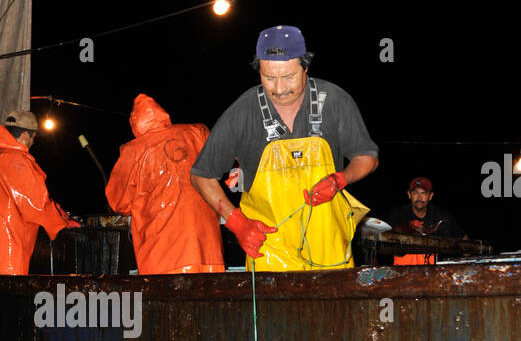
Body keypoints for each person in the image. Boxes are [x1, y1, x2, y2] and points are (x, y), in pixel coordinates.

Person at [190, 25, 379, 270]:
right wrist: (237, 223)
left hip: (330, 249)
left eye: (288, 76)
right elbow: (201, 175)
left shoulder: (334, 100)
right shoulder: (243, 110)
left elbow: (367, 157)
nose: (279, 89)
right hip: (268, 252)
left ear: (305, 68)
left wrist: (340, 179)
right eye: (269, 78)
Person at [105, 93, 224, 274]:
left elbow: (118, 201)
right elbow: (223, 160)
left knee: (169, 299)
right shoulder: (197, 132)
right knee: (208, 298)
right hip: (209, 252)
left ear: (134, 122)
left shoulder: (132, 150)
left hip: (163, 257)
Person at [0, 109, 79, 275]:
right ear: (26, 135)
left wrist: (58, 212)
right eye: (34, 138)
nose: (32, 143)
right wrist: (62, 224)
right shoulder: (17, 160)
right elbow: (36, 205)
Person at [388, 176, 467, 265]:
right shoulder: (398, 214)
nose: (419, 197)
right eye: (415, 193)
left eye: (424, 193)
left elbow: (463, 238)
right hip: (402, 270)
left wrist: (467, 262)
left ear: (430, 196)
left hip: (433, 271)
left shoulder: (440, 215)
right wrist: (407, 229)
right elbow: (387, 237)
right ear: (409, 195)